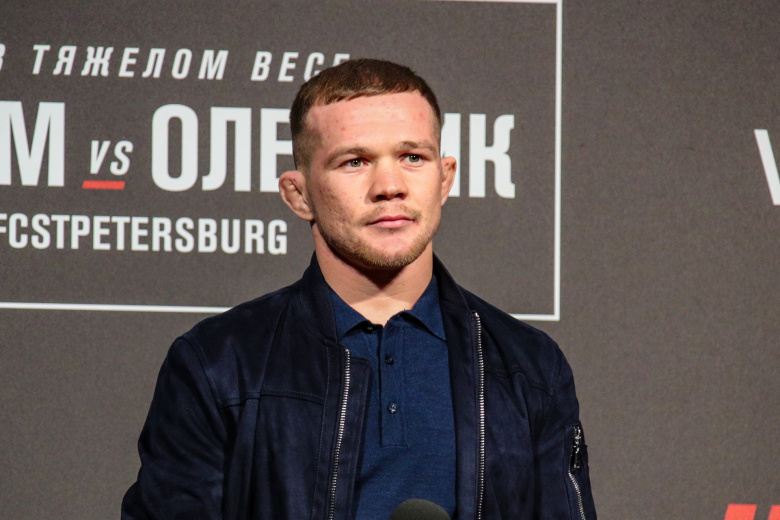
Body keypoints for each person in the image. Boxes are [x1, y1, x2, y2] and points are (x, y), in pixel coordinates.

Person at [122, 58, 597, 520]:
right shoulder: (218, 365)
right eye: (355, 161)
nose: (389, 186)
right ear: (299, 195)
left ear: (444, 178)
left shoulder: (530, 368)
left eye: (413, 157)